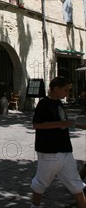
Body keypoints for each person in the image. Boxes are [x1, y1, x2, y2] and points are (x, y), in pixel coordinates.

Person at [30, 76, 86, 208]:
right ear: (56, 89)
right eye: (66, 90)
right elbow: (37, 125)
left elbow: (63, 123)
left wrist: (79, 126)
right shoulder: (44, 104)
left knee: (76, 184)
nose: (68, 93)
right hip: (49, 151)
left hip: (65, 150)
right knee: (40, 183)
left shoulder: (59, 103)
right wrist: (59, 123)